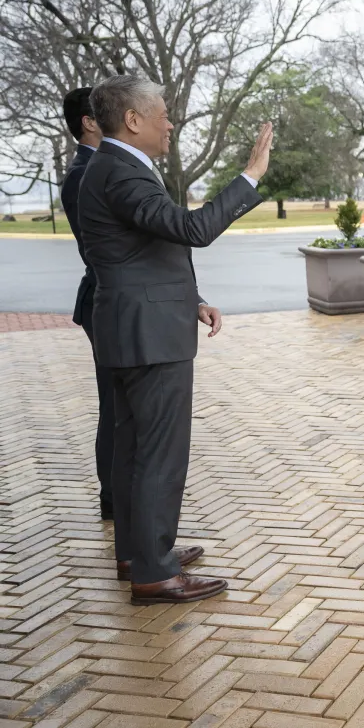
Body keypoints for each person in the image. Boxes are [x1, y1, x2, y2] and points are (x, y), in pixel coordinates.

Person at [77, 73, 271, 605]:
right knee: (158, 454)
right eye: (162, 111)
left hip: (133, 327)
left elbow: (145, 253)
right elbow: (192, 229)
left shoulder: (113, 168)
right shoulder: (121, 172)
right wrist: (249, 177)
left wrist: (192, 299)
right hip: (148, 338)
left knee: (134, 449)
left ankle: (138, 553)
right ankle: (156, 573)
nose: (170, 121)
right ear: (133, 120)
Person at [59, 88, 113, 520]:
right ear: (88, 123)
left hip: (112, 298)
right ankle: (114, 499)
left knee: (121, 404)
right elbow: (99, 248)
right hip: (105, 299)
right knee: (115, 405)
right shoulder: (83, 174)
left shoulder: (101, 165)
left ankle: (121, 502)